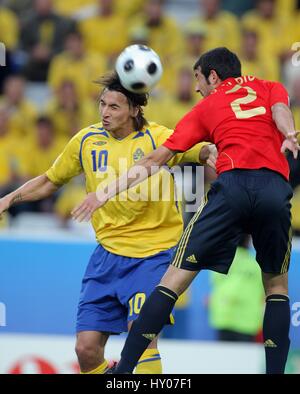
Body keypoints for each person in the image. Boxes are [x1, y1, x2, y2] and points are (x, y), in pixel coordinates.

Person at [72, 47, 300, 374]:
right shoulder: (270, 86)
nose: (197, 88)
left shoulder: (207, 106)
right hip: (276, 189)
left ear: (213, 76)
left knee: (172, 279)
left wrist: (104, 192)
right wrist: (290, 134)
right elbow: (281, 112)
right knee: (277, 288)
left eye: (199, 79)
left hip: (232, 187)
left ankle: (121, 374)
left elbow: (153, 161)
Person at [0, 72, 216, 374]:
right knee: (85, 349)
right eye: (102, 104)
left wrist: (210, 152)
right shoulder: (86, 141)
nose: (105, 112)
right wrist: (8, 200)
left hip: (153, 256)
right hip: (107, 256)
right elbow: (51, 180)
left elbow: (197, 149)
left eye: (114, 106)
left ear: (134, 109)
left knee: (141, 336)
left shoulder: (157, 137)